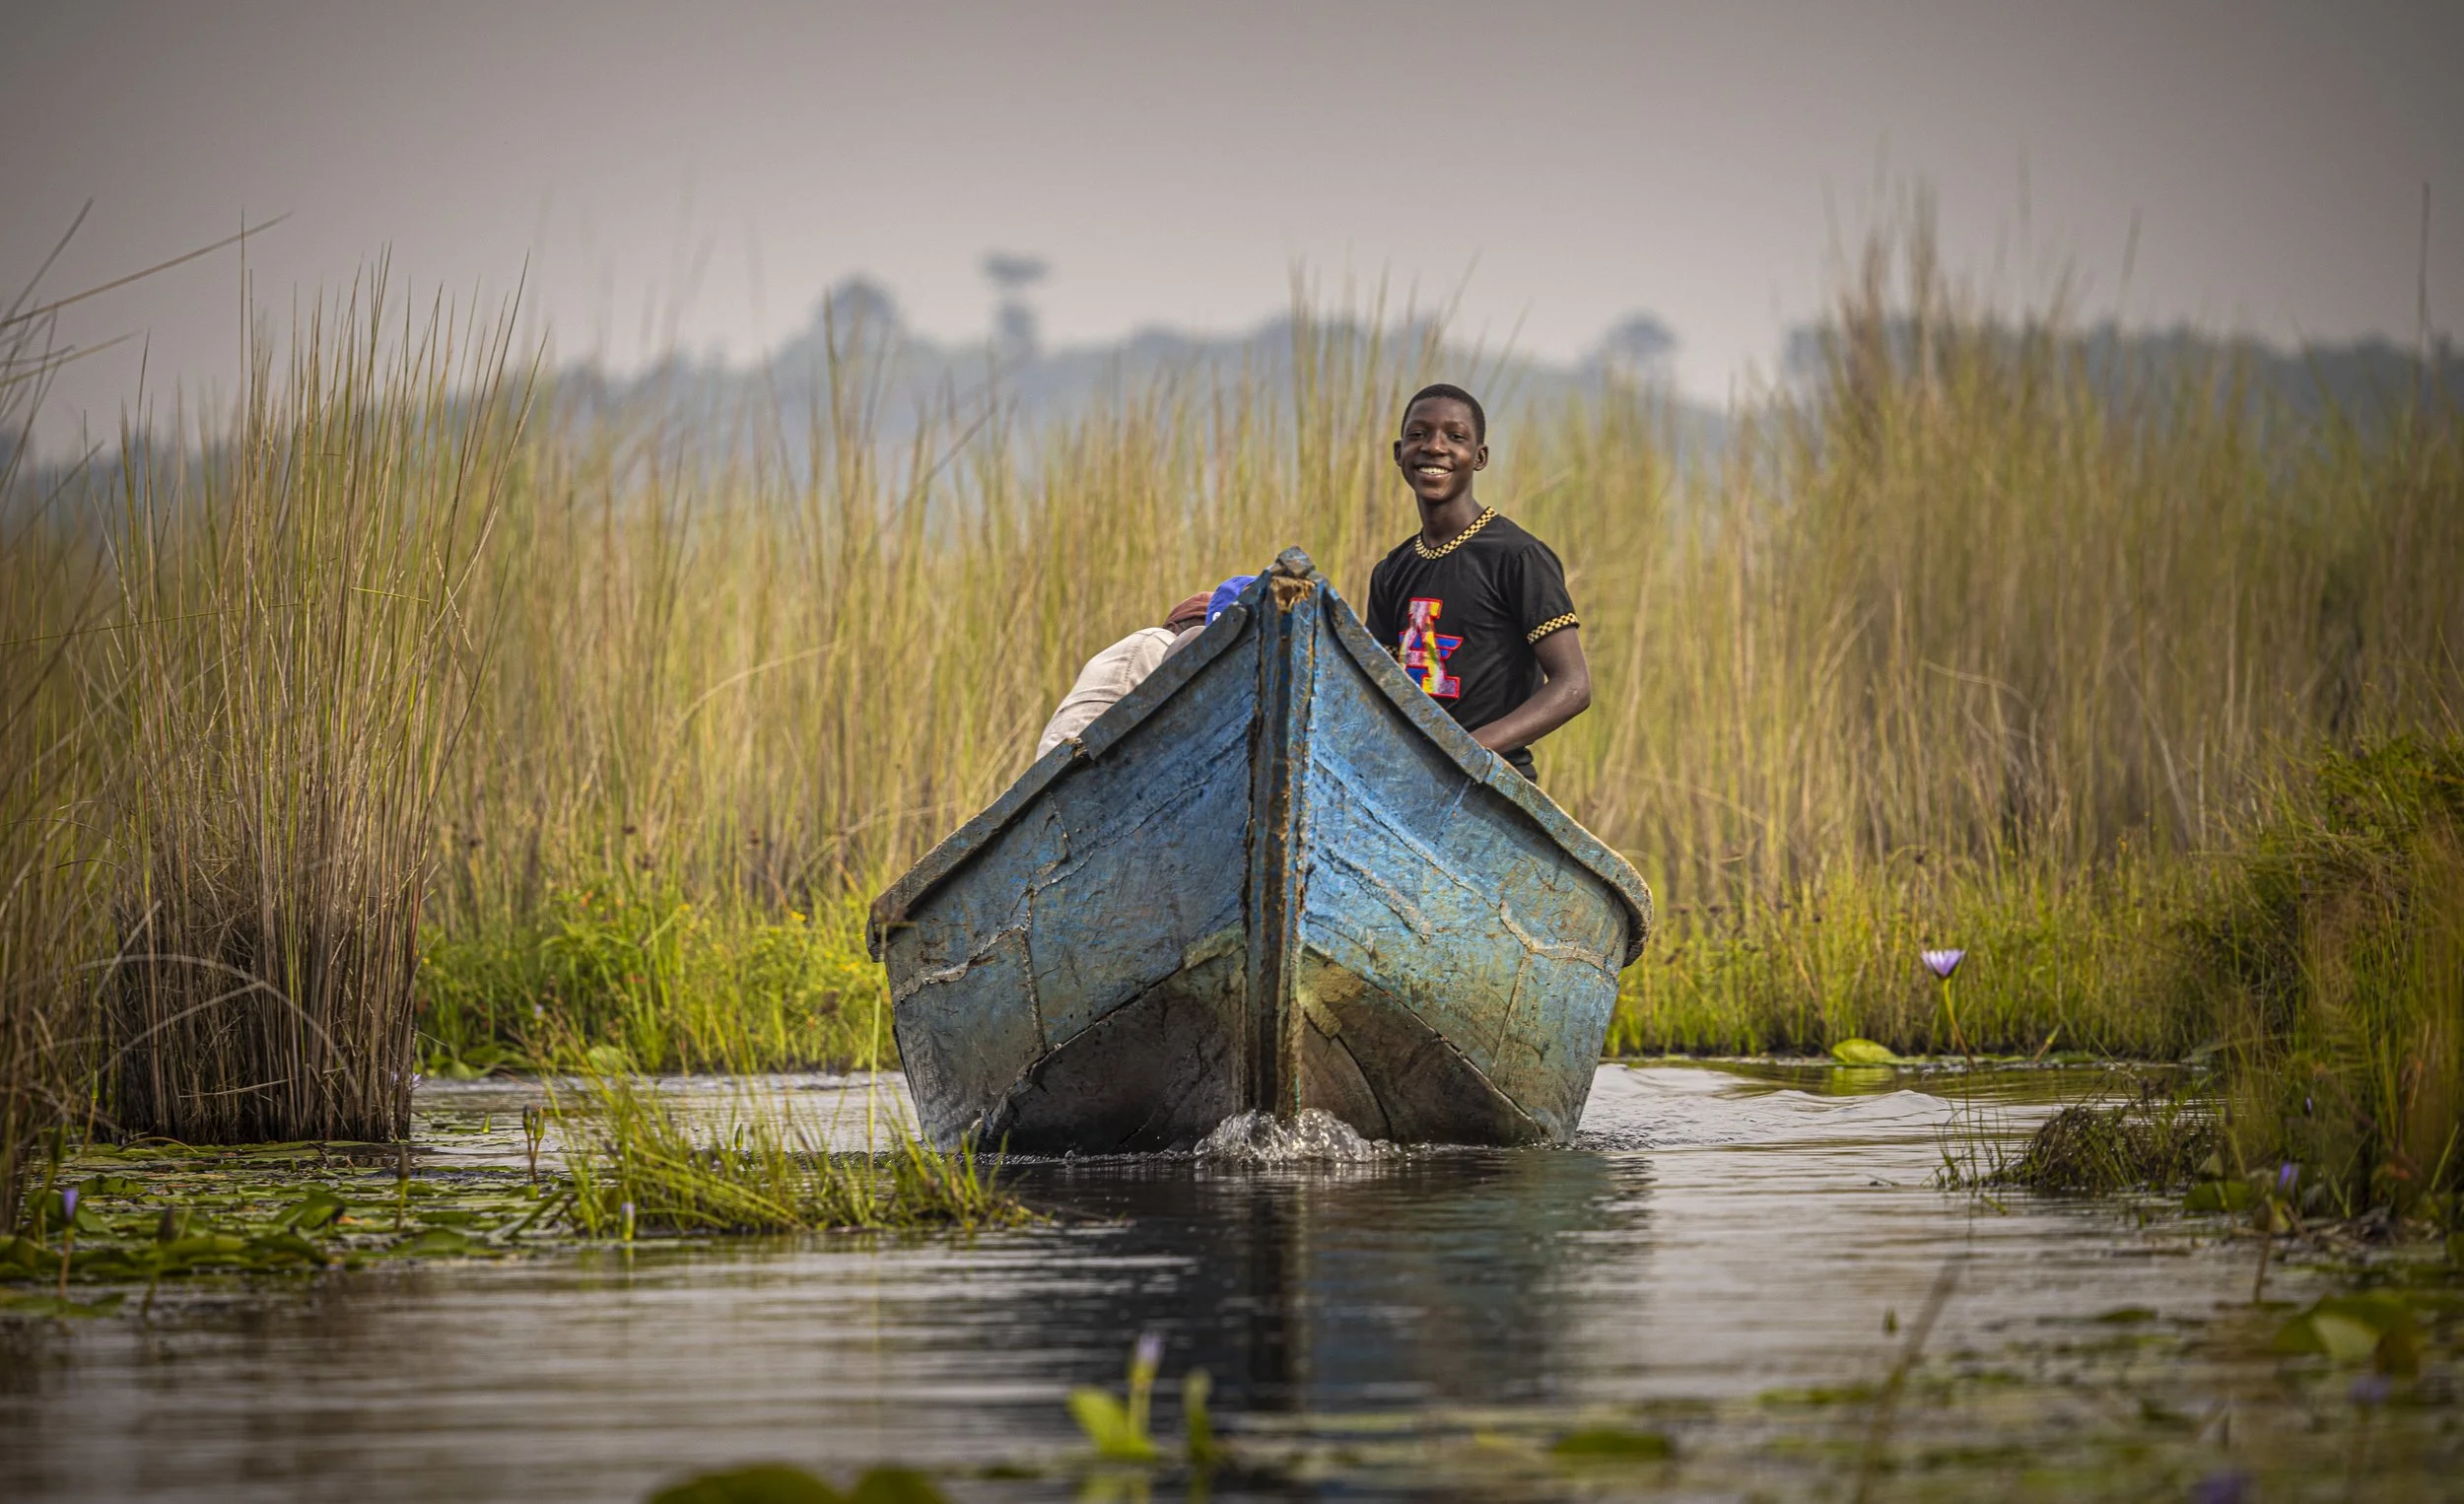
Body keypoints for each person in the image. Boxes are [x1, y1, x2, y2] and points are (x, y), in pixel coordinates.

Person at [1364, 383, 1590, 783]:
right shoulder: (1391, 571)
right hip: (1409, 787)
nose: (1434, 447)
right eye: (1419, 435)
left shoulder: (1518, 557)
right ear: (1399, 453)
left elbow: (1573, 687)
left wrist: (1463, 751)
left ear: (1479, 457)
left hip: (1494, 787)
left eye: (1455, 437)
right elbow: (1374, 685)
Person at [1032, 581, 1245, 758]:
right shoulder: (1154, 641)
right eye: (1202, 631)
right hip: (1072, 769)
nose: (1203, 651)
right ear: (1173, 629)